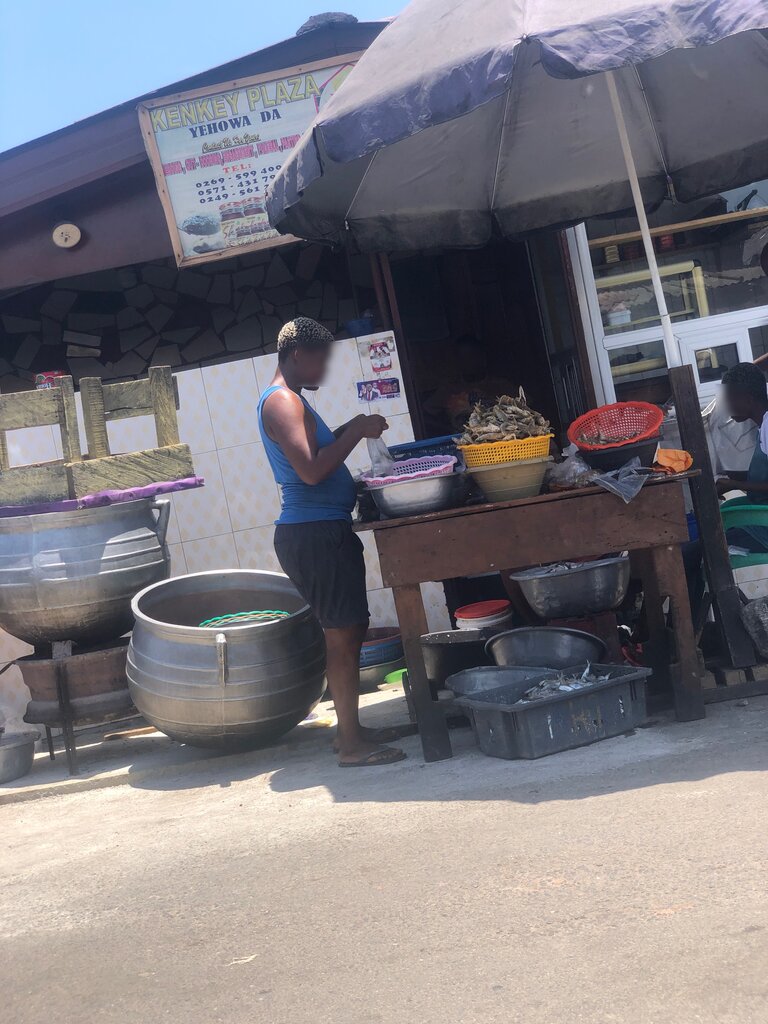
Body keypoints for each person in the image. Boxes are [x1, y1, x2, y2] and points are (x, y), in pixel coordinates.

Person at [258, 317, 406, 767]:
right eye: (320, 359)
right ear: (297, 354)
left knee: (351, 630)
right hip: (313, 533)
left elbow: (318, 450)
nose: (325, 369)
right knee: (341, 637)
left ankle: (351, 731)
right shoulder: (282, 402)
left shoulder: (295, 401)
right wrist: (357, 431)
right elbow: (311, 470)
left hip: (323, 531)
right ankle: (351, 746)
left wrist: (352, 427)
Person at [715, 362, 768, 552]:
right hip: (761, 518)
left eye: (730, 400)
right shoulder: (762, 425)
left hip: (764, 527)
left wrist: (733, 485)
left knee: (706, 548)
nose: (728, 406)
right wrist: (733, 478)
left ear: (747, 398)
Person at [422, 333, 517, 434]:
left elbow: (527, 408)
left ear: (482, 357)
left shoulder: (500, 385)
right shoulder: (449, 389)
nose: (468, 361)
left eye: (472, 355)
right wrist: (448, 429)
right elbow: (424, 415)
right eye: (462, 357)